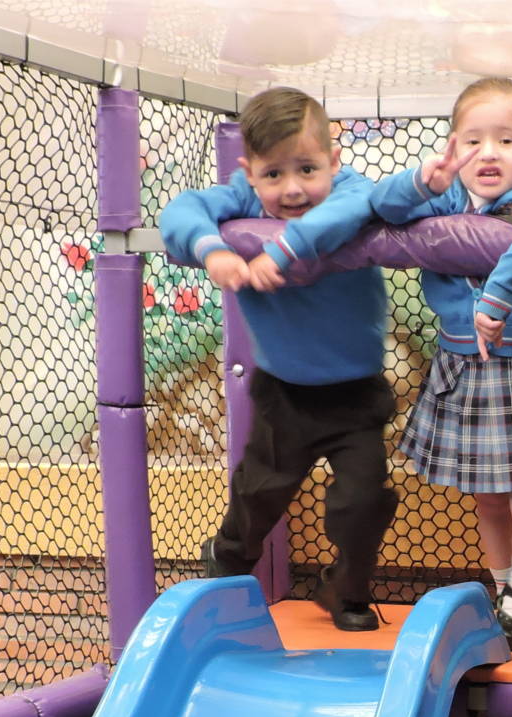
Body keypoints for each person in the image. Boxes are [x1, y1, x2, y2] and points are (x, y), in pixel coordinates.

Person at [160, 87, 395, 632]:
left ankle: (347, 589)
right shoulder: (242, 199)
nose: (291, 189)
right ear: (249, 171)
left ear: (335, 161)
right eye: (273, 175)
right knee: (259, 495)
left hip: (356, 395)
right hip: (284, 393)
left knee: (366, 499)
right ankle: (226, 559)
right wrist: (212, 249)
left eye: (308, 169)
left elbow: (354, 207)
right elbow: (182, 210)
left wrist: (283, 249)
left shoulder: (352, 191)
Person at [371, 77, 512, 652]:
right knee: (489, 497)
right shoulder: (449, 193)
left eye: (506, 140)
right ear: (453, 147)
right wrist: (426, 177)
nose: (488, 153)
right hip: (463, 365)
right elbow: (382, 209)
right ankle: (503, 594)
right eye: (472, 141)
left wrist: (497, 296)